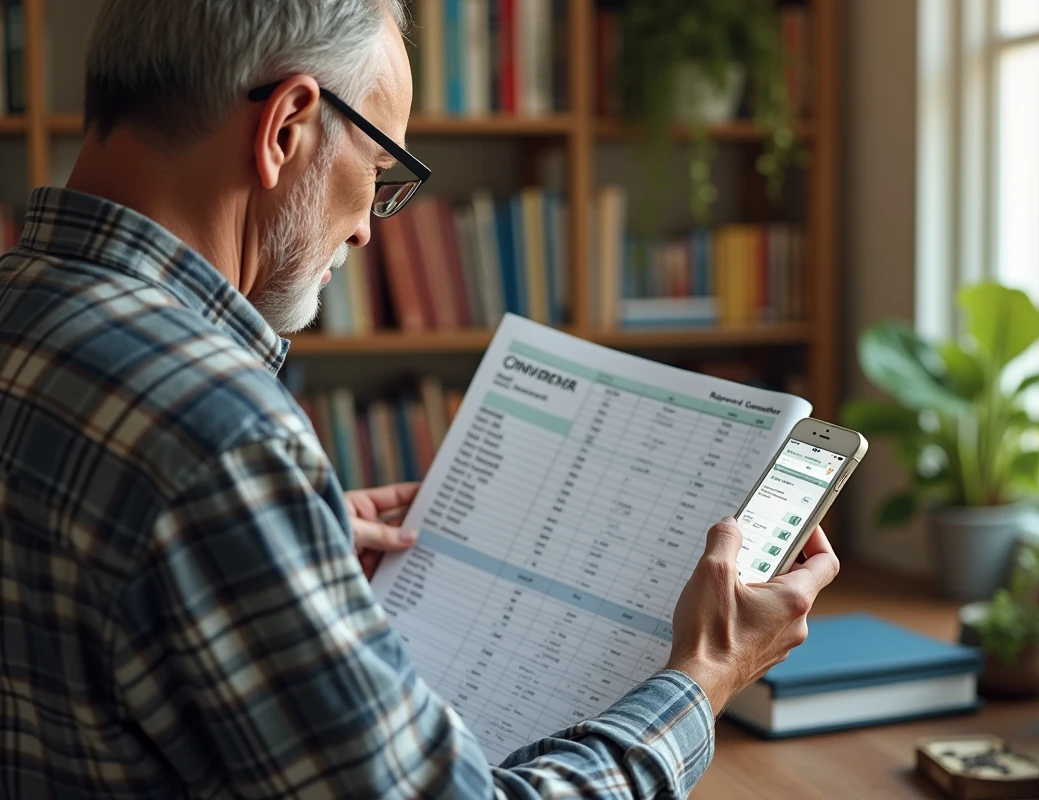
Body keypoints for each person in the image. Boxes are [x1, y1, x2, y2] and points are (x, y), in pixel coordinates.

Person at [0, 1, 840, 797]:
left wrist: (293, 539)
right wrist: (704, 675)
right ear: (285, 128)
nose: (369, 228)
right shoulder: (220, 435)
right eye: (378, 169)